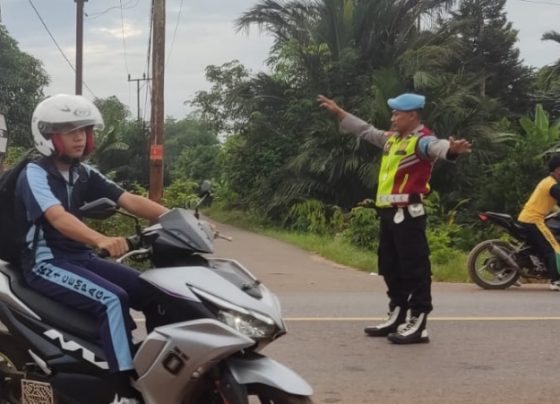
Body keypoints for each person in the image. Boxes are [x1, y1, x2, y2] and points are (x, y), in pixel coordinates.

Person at [15, 94, 168, 388]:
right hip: (45, 263)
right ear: (48, 135)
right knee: (112, 299)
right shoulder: (34, 174)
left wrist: (178, 217)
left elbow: (130, 200)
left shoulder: (81, 173)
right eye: (70, 131)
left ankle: (159, 369)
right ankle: (123, 388)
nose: (80, 138)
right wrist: (101, 238)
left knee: (153, 290)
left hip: (78, 258)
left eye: (84, 130)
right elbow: (57, 217)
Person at [317, 93, 471, 344]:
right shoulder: (392, 140)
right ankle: (397, 313)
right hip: (388, 215)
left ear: (412, 115)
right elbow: (366, 130)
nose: (393, 118)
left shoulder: (421, 141)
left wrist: (451, 150)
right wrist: (339, 112)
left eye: (397, 113)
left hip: (408, 215)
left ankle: (418, 321)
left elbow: (437, 146)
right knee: (390, 266)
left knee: (415, 269)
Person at [518, 155, 560, 290]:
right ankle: (556, 282)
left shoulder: (547, 182)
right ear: (557, 170)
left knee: (537, 248)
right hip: (534, 220)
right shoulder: (552, 186)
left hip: (526, 218)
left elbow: (551, 203)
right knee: (554, 248)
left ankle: (511, 273)